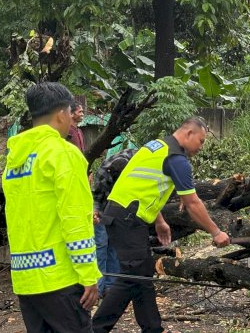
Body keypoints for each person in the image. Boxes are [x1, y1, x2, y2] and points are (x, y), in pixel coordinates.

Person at [92, 117, 231, 333]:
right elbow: (192, 202)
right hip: (127, 218)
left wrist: (160, 221)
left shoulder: (156, 146)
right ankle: (96, 328)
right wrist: (216, 232)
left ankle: (153, 328)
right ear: (188, 134)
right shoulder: (176, 158)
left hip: (124, 215)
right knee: (131, 278)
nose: (201, 147)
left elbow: (143, 187)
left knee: (142, 272)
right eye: (201, 141)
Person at [2, 82, 100, 332]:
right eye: (71, 112)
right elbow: (75, 219)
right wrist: (89, 275)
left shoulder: (14, 161)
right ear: (61, 113)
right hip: (61, 279)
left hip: (26, 279)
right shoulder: (63, 154)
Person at [92, 147, 137, 297]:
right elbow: (96, 196)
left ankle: (112, 287)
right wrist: (96, 211)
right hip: (105, 206)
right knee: (101, 244)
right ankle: (98, 288)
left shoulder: (138, 163)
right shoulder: (103, 173)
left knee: (115, 245)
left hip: (122, 206)